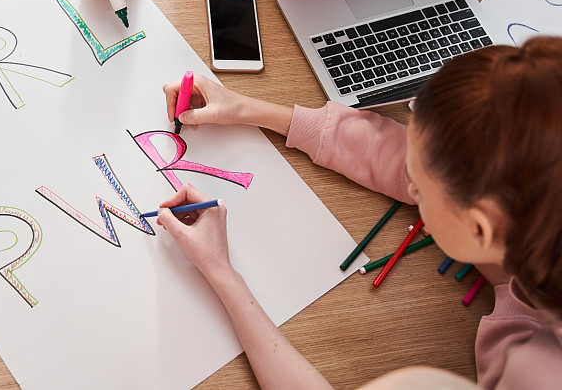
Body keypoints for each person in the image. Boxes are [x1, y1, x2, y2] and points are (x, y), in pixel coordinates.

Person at [155, 36, 562, 389]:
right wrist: (246, 109)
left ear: (480, 227)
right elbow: (395, 151)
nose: (410, 187)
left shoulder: (530, 366)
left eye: (418, 186)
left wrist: (221, 271)